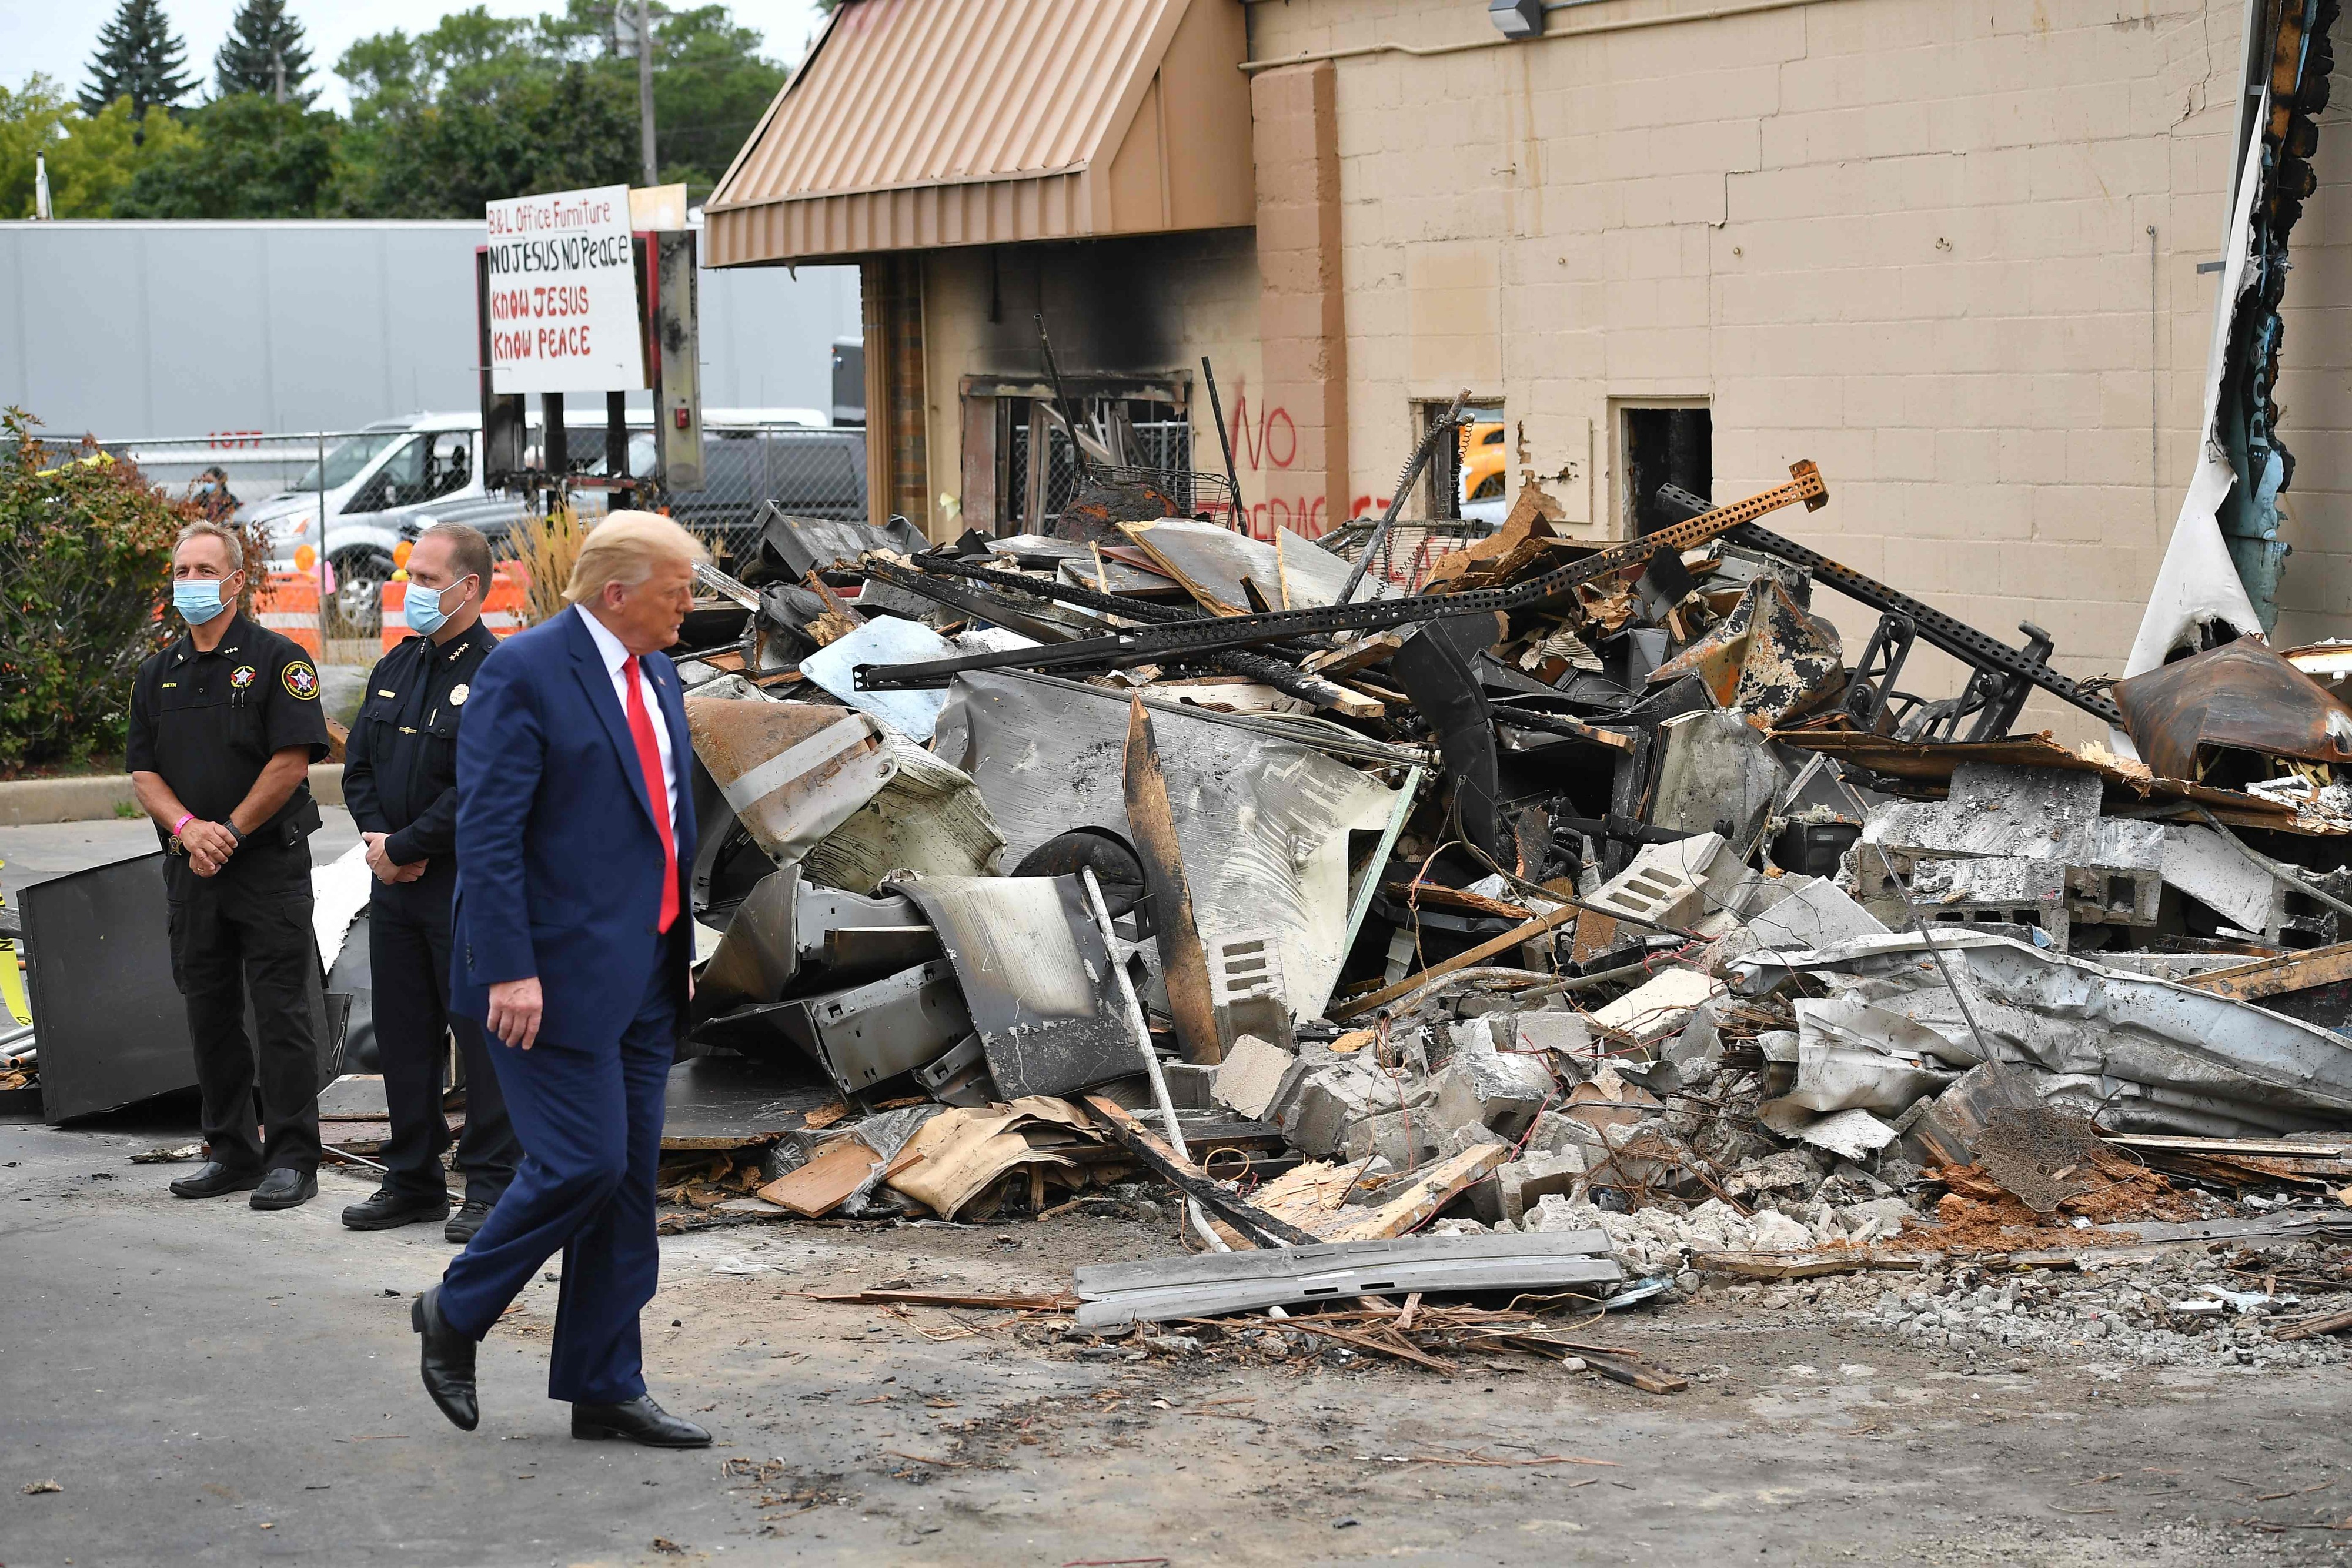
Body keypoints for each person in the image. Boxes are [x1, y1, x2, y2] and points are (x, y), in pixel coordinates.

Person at [412, 511, 711, 1449]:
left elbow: (662, 817)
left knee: (623, 1186)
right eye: (678, 590)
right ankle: (454, 1310)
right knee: (582, 1161)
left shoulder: (657, 669)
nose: (690, 607)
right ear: (617, 592)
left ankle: (603, 1381)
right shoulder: (525, 671)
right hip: (544, 977)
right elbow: (490, 833)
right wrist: (508, 966)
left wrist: (681, 945)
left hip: (646, 970)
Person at [128, 521, 331, 1210]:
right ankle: (232, 1151)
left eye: (204, 570)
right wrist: (188, 830)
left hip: (265, 865)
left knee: (280, 1014)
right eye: (181, 570)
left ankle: (293, 1158)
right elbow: (143, 774)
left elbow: (291, 761)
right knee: (209, 1012)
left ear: (237, 581)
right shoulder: (158, 674)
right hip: (194, 871)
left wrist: (230, 833)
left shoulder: (280, 660)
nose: (190, 583)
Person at [339, 523, 520, 1242]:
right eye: (410, 577)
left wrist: (410, 846)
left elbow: (483, 786)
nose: (409, 591)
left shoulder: (499, 675)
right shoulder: (396, 667)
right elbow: (357, 768)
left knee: (478, 1035)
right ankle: (413, 1177)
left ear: (468, 587)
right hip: (394, 885)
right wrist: (383, 846)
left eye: (424, 579)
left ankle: (491, 1184)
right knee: (404, 1034)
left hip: (462, 886)